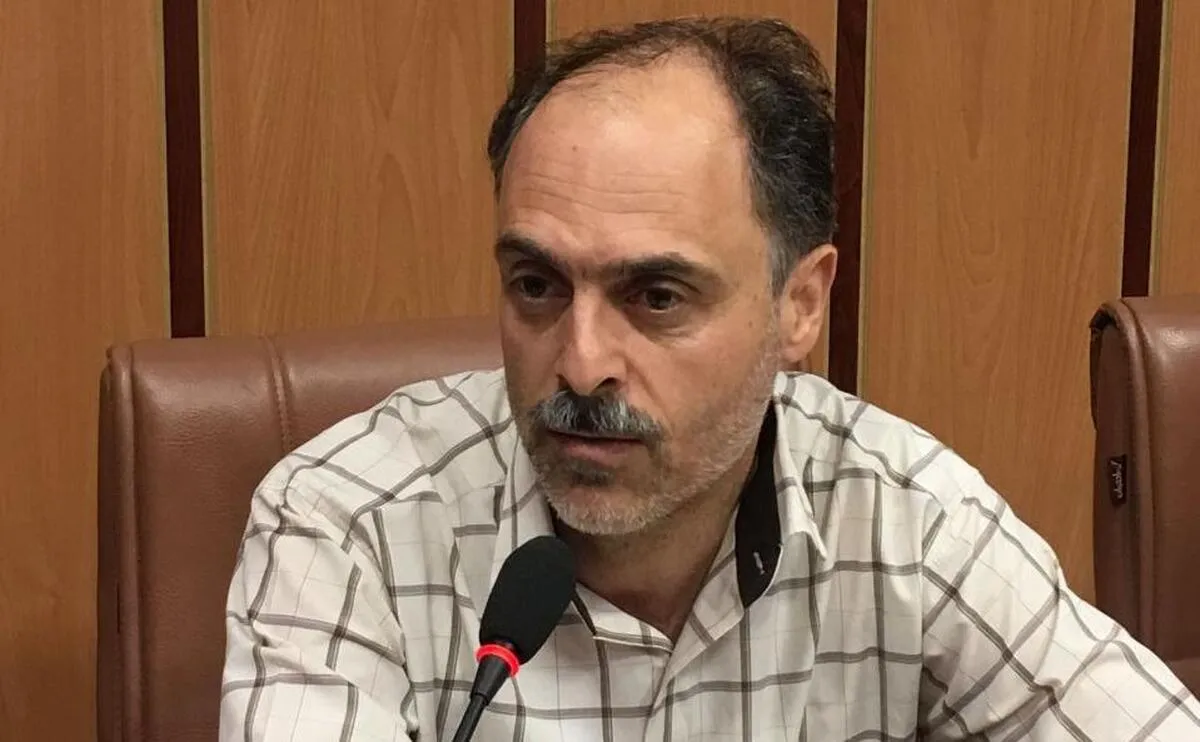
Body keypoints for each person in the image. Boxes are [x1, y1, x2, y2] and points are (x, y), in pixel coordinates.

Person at [219, 16, 1199, 741]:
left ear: (799, 305)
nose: (581, 362)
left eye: (656, 297)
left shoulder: (908, 521)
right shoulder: (349, 524)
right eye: (537, 285)